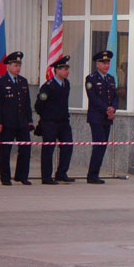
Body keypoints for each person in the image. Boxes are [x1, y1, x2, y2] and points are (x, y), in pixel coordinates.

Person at [0, 51, 34, 186]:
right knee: (5, 151)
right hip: (7, 123)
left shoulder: (23, 81)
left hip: (22, 122)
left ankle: (22, 176)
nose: (18, 68)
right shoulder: (0, 81)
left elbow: (27, 103)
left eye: (19, 65)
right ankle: (5, 178)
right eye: (15, 65)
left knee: (25, 149)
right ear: (8, 66)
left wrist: (30, 120)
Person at [35, 55, 74, 184]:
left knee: (67, 146)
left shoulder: (66, 84)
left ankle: (61, 173)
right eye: (64, 69)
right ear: (57, 70)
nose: (67, 71)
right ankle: (46, 176)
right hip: (50, 122)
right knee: (48, 149)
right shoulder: (48, 86)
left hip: (63, 121)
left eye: (68, 68)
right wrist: (46, 117)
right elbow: (39, 105)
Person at [85, 50, 118, 184]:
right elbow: (93, 98)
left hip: (107, 117)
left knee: (103, 146)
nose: (106, 65)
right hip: (96, 116)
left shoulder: (110, 78)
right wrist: (106, 108)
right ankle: (92, 175)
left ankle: (95, 173)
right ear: (98, 64)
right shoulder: (91, 78)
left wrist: (113, 108)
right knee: (98, 145)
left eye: (108, 63)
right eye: (103, 63)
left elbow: (115, 96)